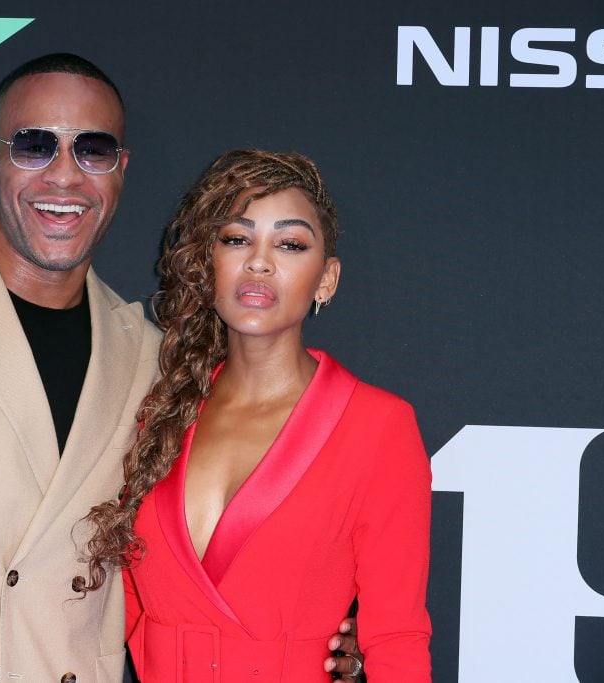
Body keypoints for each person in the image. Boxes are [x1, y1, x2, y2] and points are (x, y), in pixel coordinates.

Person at [0, 52, 364, 682]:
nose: (64, 177)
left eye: (93, 150)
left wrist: (315, 639)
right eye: (34, 146)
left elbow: (185, 560)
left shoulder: (153, 359)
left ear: (120, 171)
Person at [85, 149, 432, 681]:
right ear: (209, 263)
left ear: (327, 279)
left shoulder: (377, 427)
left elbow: (398, 639)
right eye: (237, 239)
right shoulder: (155, 409)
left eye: (290, 244)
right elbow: (122, 606)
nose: (259, 261)